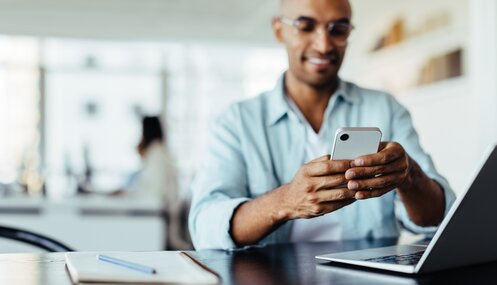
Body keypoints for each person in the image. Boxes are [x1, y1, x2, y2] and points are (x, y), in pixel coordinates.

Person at [189, 0, 456, 250]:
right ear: (279, 30)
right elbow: (205, 227)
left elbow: (438, 220)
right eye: (306, 27)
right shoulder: (236, 121)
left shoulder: (385, 109)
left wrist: (410, 176)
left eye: (338, 29)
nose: (324, 45)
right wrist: (285, 201)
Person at [125, 116, 191, 249]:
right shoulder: (156, 153)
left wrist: (127, 194)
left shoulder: (158, 155)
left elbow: (155, 194)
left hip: (165, 221)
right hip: (162, 217)